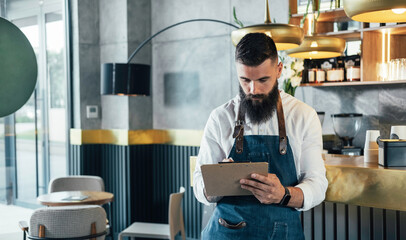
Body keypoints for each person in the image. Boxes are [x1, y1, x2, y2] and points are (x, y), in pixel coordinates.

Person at [193, 33, 328, 239]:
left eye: (263, 80)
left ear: (279, 69)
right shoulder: (220, 118)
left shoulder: (303, 116)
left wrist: (283, 194)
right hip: (227, 231)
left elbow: (317, 185)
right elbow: (199, 185)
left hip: (282, 232)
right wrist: (216, 186)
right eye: (245, 80)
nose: (253, 90)